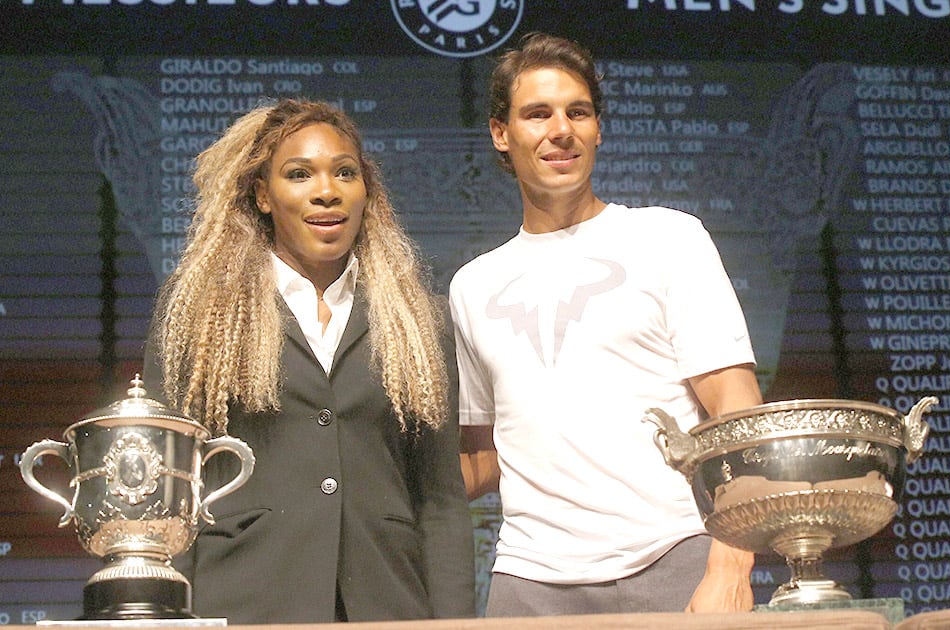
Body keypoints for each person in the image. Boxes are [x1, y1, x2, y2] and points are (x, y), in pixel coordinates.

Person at [450, 33, 764, 616]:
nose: (560, 129)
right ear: (501, 133)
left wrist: (730, 564)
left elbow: (736, 414)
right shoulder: (472, 285)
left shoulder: (668, 238)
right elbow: (486, 455)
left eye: (578, 111)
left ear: (598, 128)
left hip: (673, 558)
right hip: (528, 581)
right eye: (537, 113)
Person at [143, 98, 475, 623]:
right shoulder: (200, 315)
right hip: (243, 601)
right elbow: (168, 488)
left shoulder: (419, 320)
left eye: (345, 172)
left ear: (367, 191)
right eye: (299, 174)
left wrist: (456, 622)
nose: (327, 190)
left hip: (387, 603)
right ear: (263, 195)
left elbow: (440, 500)